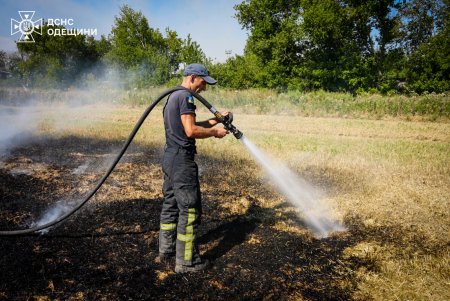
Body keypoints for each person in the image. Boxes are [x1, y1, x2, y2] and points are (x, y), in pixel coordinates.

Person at [158, 63, 229, 273]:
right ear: (191, 78)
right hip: (182, 161)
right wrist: (215, 133)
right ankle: (187, 262)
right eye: (202, 82)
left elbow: (189, 125)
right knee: (189, 209)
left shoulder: (173, 96)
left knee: (171, 205)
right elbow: (190, 131)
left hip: (171, 156)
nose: (204, 88)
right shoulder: (186, 97)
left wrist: (215, 120)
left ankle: (167, 251)